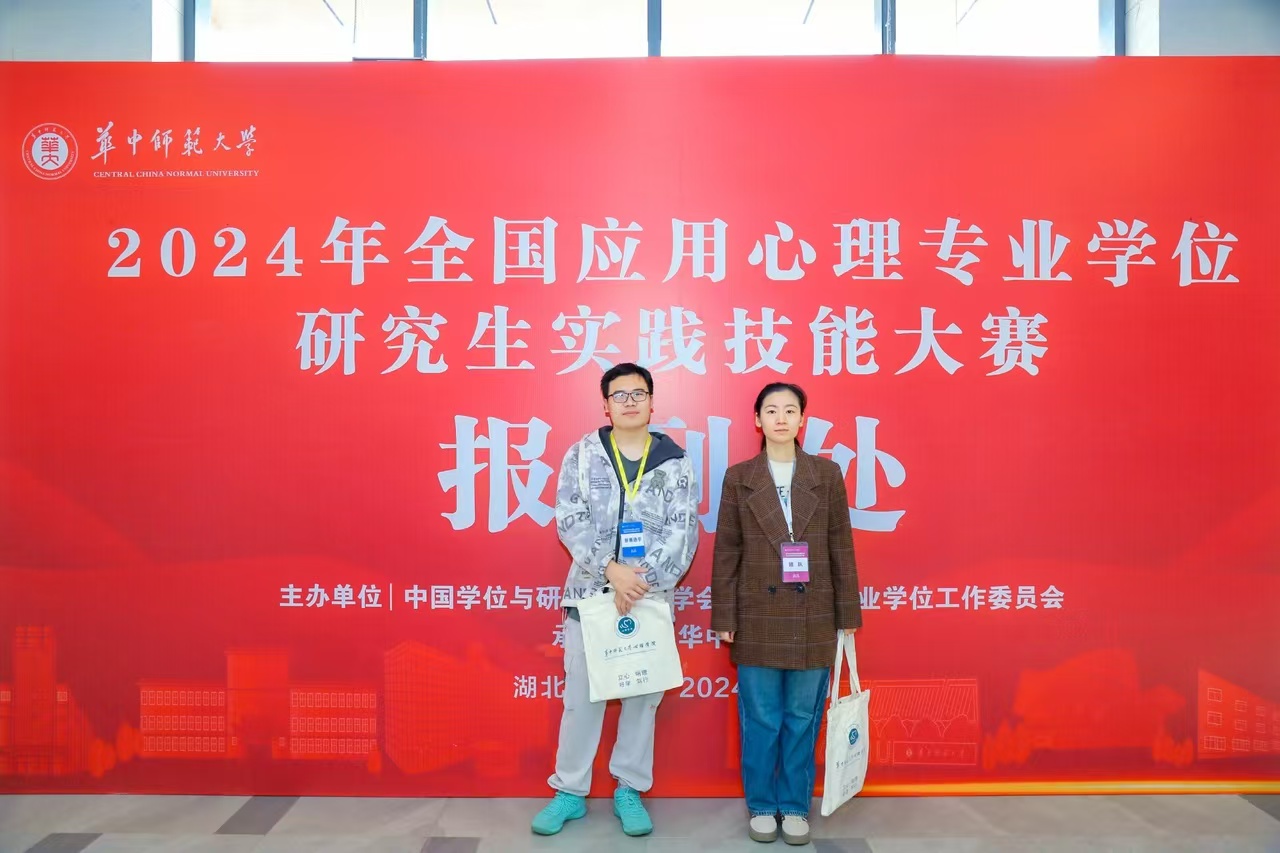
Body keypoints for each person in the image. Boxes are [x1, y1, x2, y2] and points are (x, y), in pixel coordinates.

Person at [531, 362, 700, 838]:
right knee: (581, 699)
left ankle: (629, 789)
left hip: (649, 598)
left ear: (652, 402)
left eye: (638, 393)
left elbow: (684, 532)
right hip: (589, 596)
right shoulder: (582, 454)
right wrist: (611, 570)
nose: (629, 402)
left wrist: (638, 584)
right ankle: (569, 791)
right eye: (619, 395)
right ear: (605, 405)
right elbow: (569, 517)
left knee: (642, 699)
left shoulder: (675, 461)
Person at [710, 382, 862, 845]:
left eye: (790, 410)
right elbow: (727, 551)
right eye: (771, 410)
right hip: (757, 613)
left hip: (813, 613)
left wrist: (847, 612)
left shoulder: (826, 474)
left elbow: (841, 546)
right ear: (757, 420)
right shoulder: (740, 477)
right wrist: (724, 616)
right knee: (761, 718)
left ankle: (794, 805)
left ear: (802, 420)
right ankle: (761, 803)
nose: (781, 418)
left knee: (802, 717)